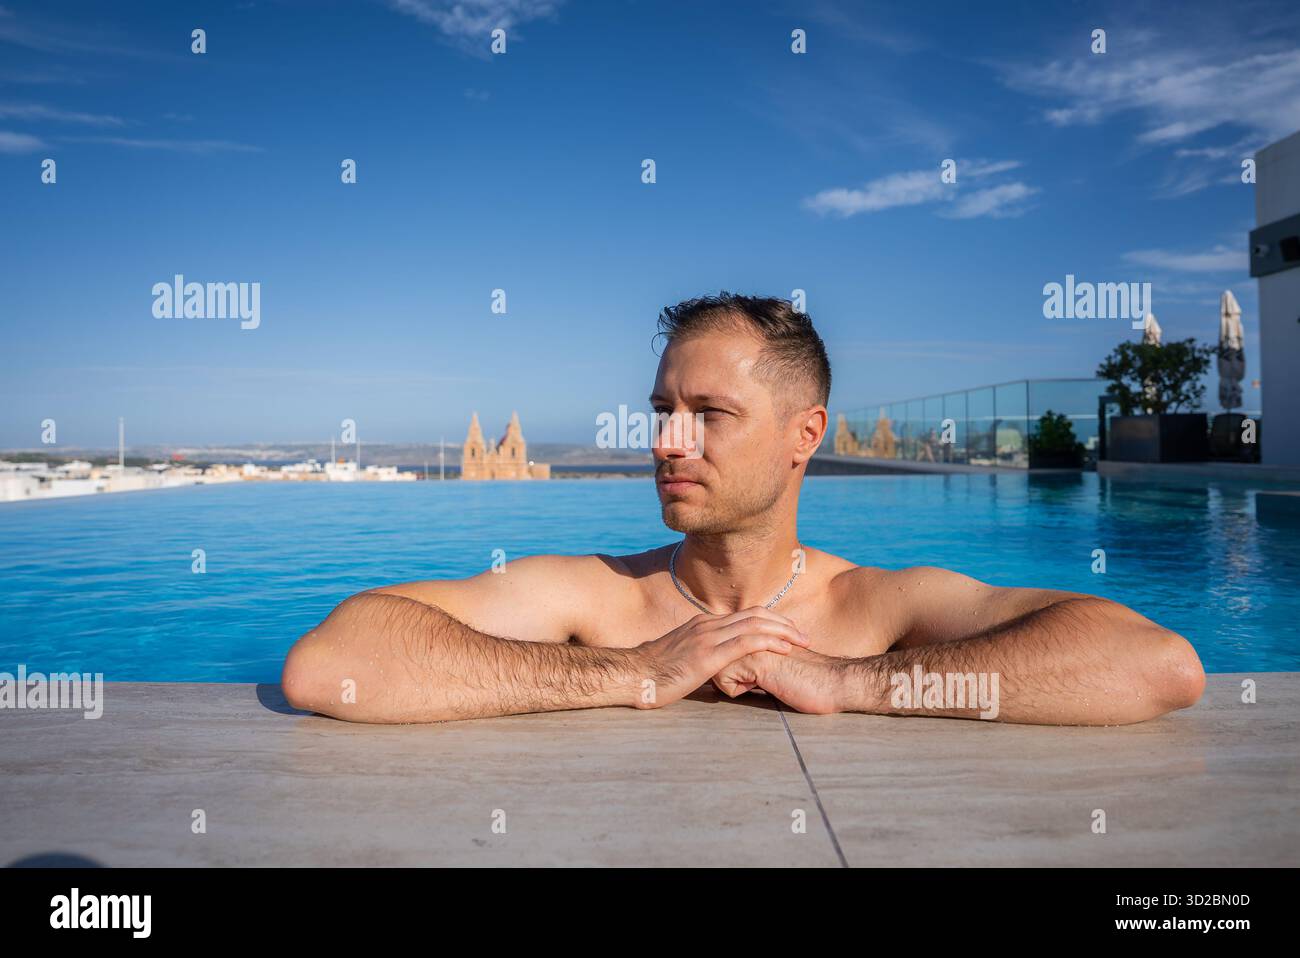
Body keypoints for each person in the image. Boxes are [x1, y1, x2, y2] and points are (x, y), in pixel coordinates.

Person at [281, 294, 1205, 726]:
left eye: (709, 415)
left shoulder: (872, 613)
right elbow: (333, 662)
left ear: (806, 435)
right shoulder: (593, 599)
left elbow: (1155, 664)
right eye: (661, 412)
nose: (666, 443)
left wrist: (851, 684)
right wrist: (631, 673)